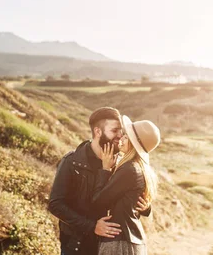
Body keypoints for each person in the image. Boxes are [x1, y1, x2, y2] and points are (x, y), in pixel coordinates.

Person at [48, 107, 151, 255]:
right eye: (114, 131)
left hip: (110, 246)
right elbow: (55, 204)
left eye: (121, 131)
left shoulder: (122, 163)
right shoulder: (72, 162)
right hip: (78, 246)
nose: (120, 136)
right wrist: (91, 226)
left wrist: (146, 207)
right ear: (98, 132)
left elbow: (132, 194)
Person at [91, 115, 161, 255]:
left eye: (126, 137)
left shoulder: (129, 169)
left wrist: (105, 170)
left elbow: (98, 202)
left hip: (120, 243)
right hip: (131, 241)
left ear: (134, 144)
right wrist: (146, 209)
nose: (121, 138)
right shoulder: (139, 168)